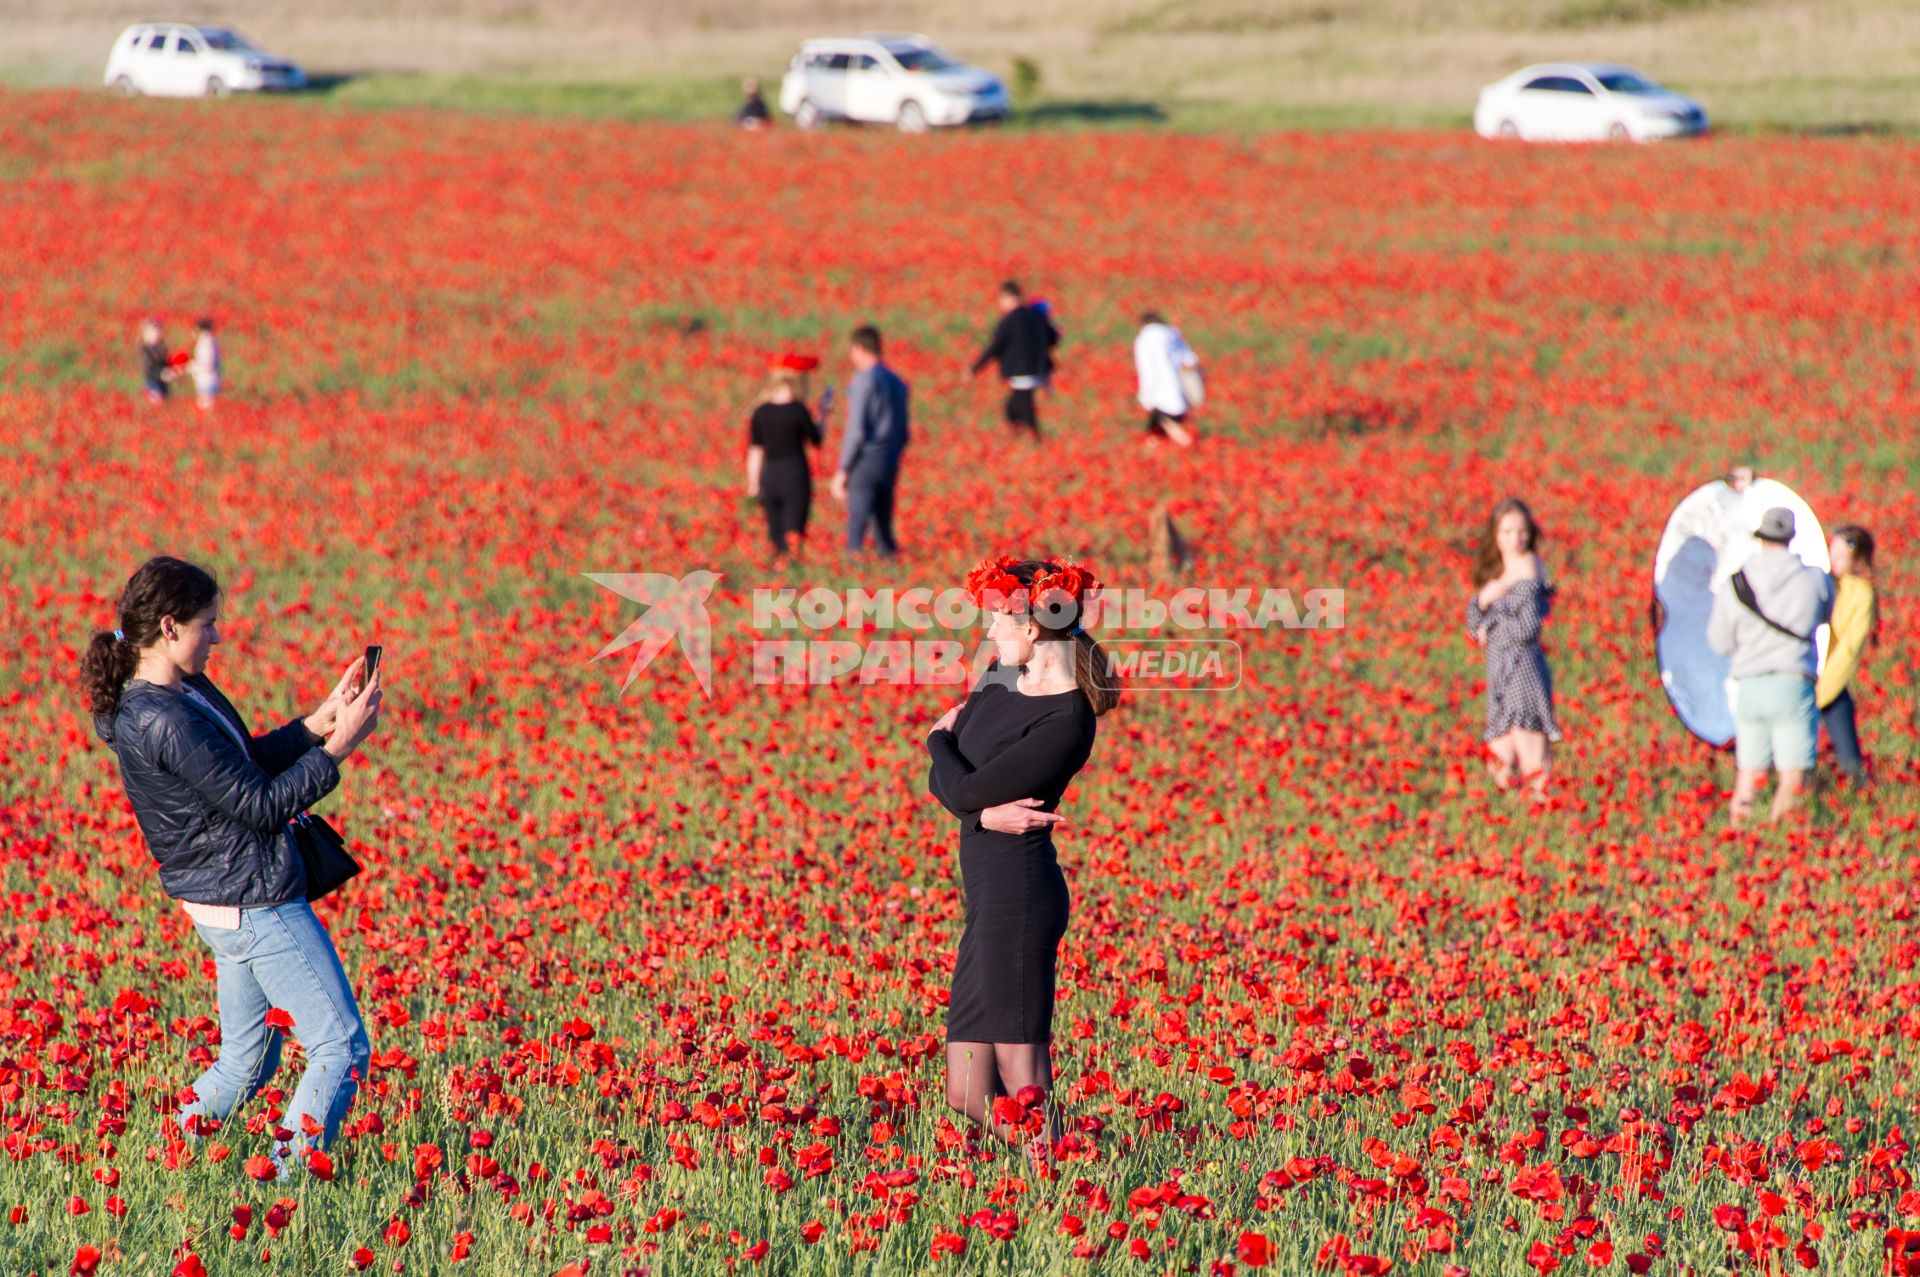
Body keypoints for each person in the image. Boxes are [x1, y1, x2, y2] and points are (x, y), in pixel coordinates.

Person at [81, 556, 383, 1174]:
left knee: (248, 1061)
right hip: (252, 900)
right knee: (341, 1045)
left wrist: (313, 725)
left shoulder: (177, 692)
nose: (217, 636)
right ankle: (287, 1177)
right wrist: (339, 749)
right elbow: (260, 805)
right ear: (169, 627)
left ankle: (163, 1153)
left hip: (225, 899)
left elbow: (240, 766)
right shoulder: (161, 718)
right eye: (208, 624)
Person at [926, 556, 1117, 1171]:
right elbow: (963, 784)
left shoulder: (1066, 721)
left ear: (1032, 627)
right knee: (965, 1092)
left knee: (1022, 1084)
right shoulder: (1001, 679)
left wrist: (937, 745)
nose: (987, 636)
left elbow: (957, 785)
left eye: (995, 624)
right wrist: (973, 801)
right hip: (987, 897)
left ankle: (1066, 1182)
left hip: (1020, 897)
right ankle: (1063, 1168)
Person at [1707, 507, 1835, 827]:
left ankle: (1737, 841)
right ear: (1791, 538)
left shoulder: (1735, 583)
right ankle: (1779, 843)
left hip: (1749, 687)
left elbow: (1719, 643)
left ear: (1761, 537)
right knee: (1792, 776)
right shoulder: (1815, 579)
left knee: (1748, 774)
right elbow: (1826, 618)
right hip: (1793, 684)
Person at [1466, 498, 1562, 802]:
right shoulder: (1498, 573)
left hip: (1523, 670)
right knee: (1499, 763)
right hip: (1498, 672)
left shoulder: (1529, 569)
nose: (1515, 539)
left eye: (1521, 531)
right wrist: (1482, 601)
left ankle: (1543, 823)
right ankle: (1515, 824)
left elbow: (1527, 628)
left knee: (1534, 767)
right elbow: (1472, 628)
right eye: (1507, 531)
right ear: (1495, 534)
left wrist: (1489, 626)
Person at [830, 326, 910, 559]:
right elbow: (904, 430)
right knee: (883, 522)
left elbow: (856, 430)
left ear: (859, 348)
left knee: (857, 522)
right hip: (890, 456)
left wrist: (843, 469)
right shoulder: (896, 381)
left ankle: (853, 572)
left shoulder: (863, 381)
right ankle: (890, 567)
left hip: (867, 458)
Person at [1815, 524, 1878, 787]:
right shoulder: (1816, 581)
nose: (1834, 560)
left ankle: (1862, 792)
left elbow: (1849, 651)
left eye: (1841, 556)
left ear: (1857, 560)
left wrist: (1820, 691)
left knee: (1850, 760)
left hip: (1829, 685)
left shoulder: (1860, 593)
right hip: (1804, 678)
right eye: (1833, 552)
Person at [745, 366, 824, 564]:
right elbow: (816, 440)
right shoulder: (798, 411)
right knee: (794, 532)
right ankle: (790, 573)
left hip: (770, 477)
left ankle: (778, 572)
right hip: (795, 475)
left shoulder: (760, 413)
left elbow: (755, 451)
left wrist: (753, 485)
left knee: (776, 533)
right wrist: (824, 417)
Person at [970, 281, 1059, 439]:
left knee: (1020, 407)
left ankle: (1035, 439)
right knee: (1013, 407)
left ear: (1009, 298)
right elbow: (1052, 338)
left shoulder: (1009, 321)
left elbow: (995, 347)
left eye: (1002, 300)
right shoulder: (1036, 316)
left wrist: (975, 369)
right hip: (1037, 369)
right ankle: (1025, 438)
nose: (1001, 304)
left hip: (1021, 371)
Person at [1133, 312, 1199, 448]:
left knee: (1163, 420)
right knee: (1156, 428)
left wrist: (1145, 394)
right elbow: (1190, 359)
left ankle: (1187, 444)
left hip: (1159, 390)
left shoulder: (1144, 340)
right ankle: (1149, 453)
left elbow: (1145, 368)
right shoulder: (1172, 335)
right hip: (1179, 388)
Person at [189, 317, 222, 412]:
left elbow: (208, 364)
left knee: (205, 408)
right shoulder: (209, 341)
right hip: (208, 379)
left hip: (207, 380)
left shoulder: (207, 343)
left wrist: (193, 367)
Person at [140, 317, 173, 405]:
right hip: (153, 382)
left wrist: (172, 368)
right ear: (145, 334)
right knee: (157, 401)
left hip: (163, 382)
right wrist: (162, 373)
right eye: (154, 332)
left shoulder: (161, 348)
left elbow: (165, 363)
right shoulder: (145, 350)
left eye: (159, 331)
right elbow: (148, 368)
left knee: (164, 402)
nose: (157, 334)